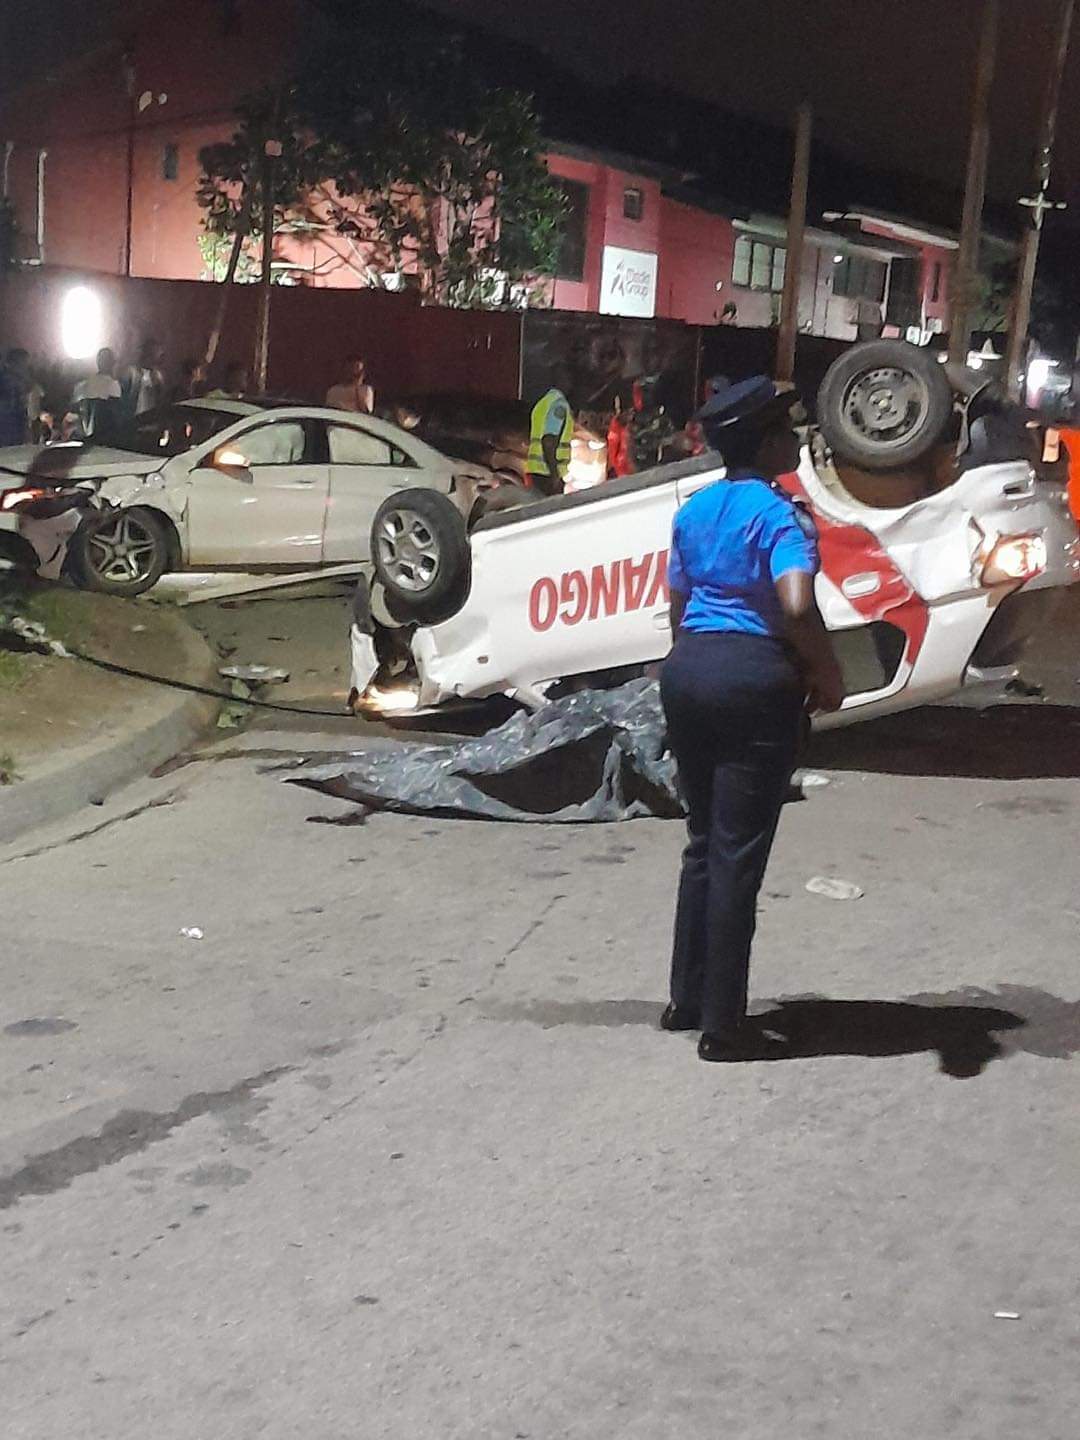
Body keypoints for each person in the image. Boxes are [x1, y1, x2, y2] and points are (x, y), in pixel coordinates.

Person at [659, 375, 845, 1062]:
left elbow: (678, 607)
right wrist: (826, 672)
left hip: (690, 672)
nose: (797, 437)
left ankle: (686, 997)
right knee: (739, 853)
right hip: (753, 677)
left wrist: (695, 668)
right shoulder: (781, 516)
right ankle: (723, 1024)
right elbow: (796, 604)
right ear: (765, 443)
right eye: (788, 429)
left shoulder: (694, 512)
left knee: (703, 842)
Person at [526, 386, 573, 495]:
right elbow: (548, 441)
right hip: (548, 471)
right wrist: (555, 474)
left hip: (537, 469)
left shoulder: (544, 402)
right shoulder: (559, 405)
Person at [72, 347, 123, 438]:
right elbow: (115, 417)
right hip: (103, 438)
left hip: (81, 437)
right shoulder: (113, 385)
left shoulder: (81, 385)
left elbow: (73, 413)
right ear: (112, 364)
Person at [119, 338, 165, 417]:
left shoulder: (157, 375)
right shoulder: (131, 372)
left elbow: (161, 399)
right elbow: (123, 396)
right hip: (134, 419)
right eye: (156, 353)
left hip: (151, 419)